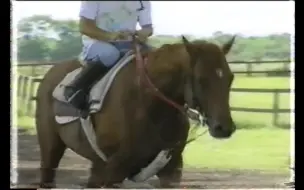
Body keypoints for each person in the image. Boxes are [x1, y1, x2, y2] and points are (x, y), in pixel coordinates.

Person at [64, 1, 153, 111]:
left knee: (156, 56)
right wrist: (110, 36)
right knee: (110, 54)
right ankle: (75, 89)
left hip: (129, 43)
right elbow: (84, 27)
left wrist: (144, 32)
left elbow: (148, 27)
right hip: (96, 42)